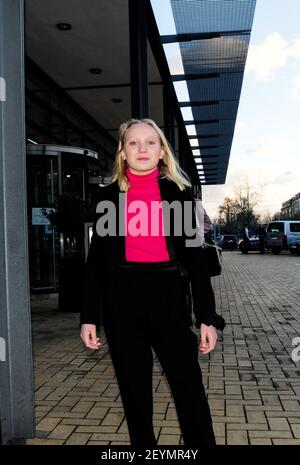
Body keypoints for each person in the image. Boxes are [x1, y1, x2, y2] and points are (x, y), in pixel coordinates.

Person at [80, 118, 218, 447]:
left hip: (168, 298)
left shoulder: (179, 194)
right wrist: (89, 316)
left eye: (150, 142)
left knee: (190, 390)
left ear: (161, 152)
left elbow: (196, 262)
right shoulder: (108, 196)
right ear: (123, 153)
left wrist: (207, 318)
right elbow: (95, 262)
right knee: (134, 394)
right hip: (121, 302)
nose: (142, 148)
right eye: (134, 143)